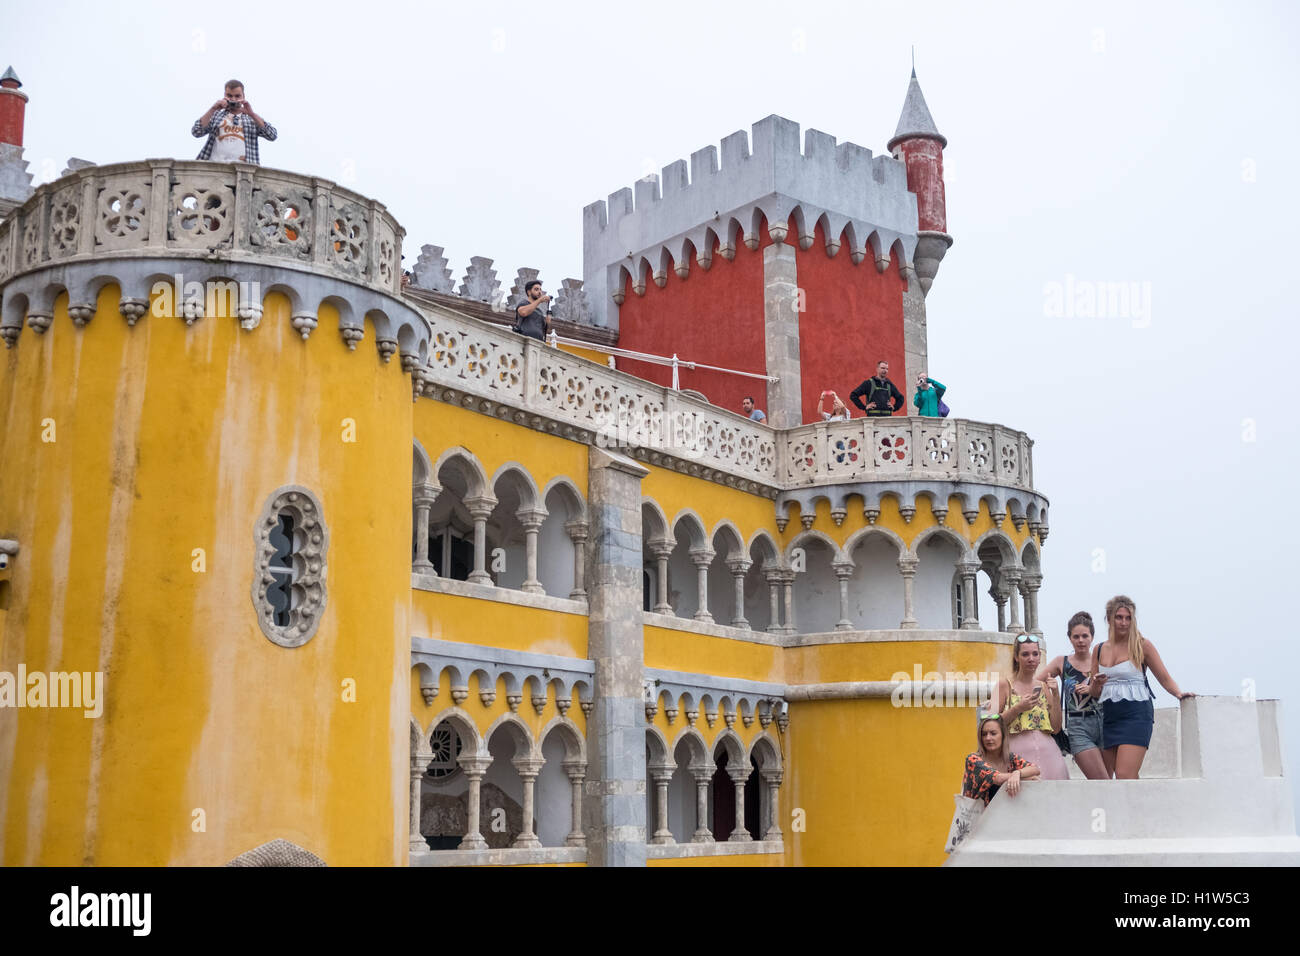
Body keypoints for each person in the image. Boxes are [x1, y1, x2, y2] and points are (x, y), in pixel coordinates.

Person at [1089, 595, 1194, 780]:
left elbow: (1164, 677)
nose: (1123, 622)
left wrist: (1178, 693)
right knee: (1107, 778)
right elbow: (1094, 694)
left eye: (1128, 618)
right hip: (1110, 716)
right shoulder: (1098, 649)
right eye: (1119, 617)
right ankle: (1137, 809)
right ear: (1109, 619)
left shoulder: (1142, 645)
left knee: (1125, 774)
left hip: (1136, 714)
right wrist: (1096, 684)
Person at [1038, 611, 1107, 779]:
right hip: (1078, 725)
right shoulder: (1062, 662)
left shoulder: (1103, 661)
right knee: (1101, 781)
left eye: (1085, 636)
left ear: (1092, 637)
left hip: (1106, 722)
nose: (1081, 640)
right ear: (1069, 638)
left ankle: (1100, 807)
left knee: (1108, 784)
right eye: (1076, 637)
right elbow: (1035, 683)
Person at [996, 633, 1069, 779]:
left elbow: (1055, 728)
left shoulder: (1043, 687)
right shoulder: (1004, 685)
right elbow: (991, 724)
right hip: (1018, 761)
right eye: (1025, 654)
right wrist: (1018, 708)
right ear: (1016, 657)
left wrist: (1055, 694)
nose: (1031, 659)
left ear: (1039, 657)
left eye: (1035, 654)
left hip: (1050, 758)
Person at [961, 713, 1041, 806]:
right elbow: (999, 778)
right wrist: (1028, 778)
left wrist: (1017, 773)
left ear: (1003, 735)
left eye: (993, 733)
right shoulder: (973, 759)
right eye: (984, 734)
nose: (988, 738)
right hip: (978, 817)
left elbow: (1035, 769)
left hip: (1002, 815)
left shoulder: (1011, 758)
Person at [192, 79, 277, 164]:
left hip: (243, 171)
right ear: (224, 95)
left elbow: (272, 135)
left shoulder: (251, 119)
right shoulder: (216, 115)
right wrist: (213, 109)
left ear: (243, 96)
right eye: (229, 96)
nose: (233, 99)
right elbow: (196, 131)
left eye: (237, 96)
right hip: (215, 167)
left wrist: (252, 114)